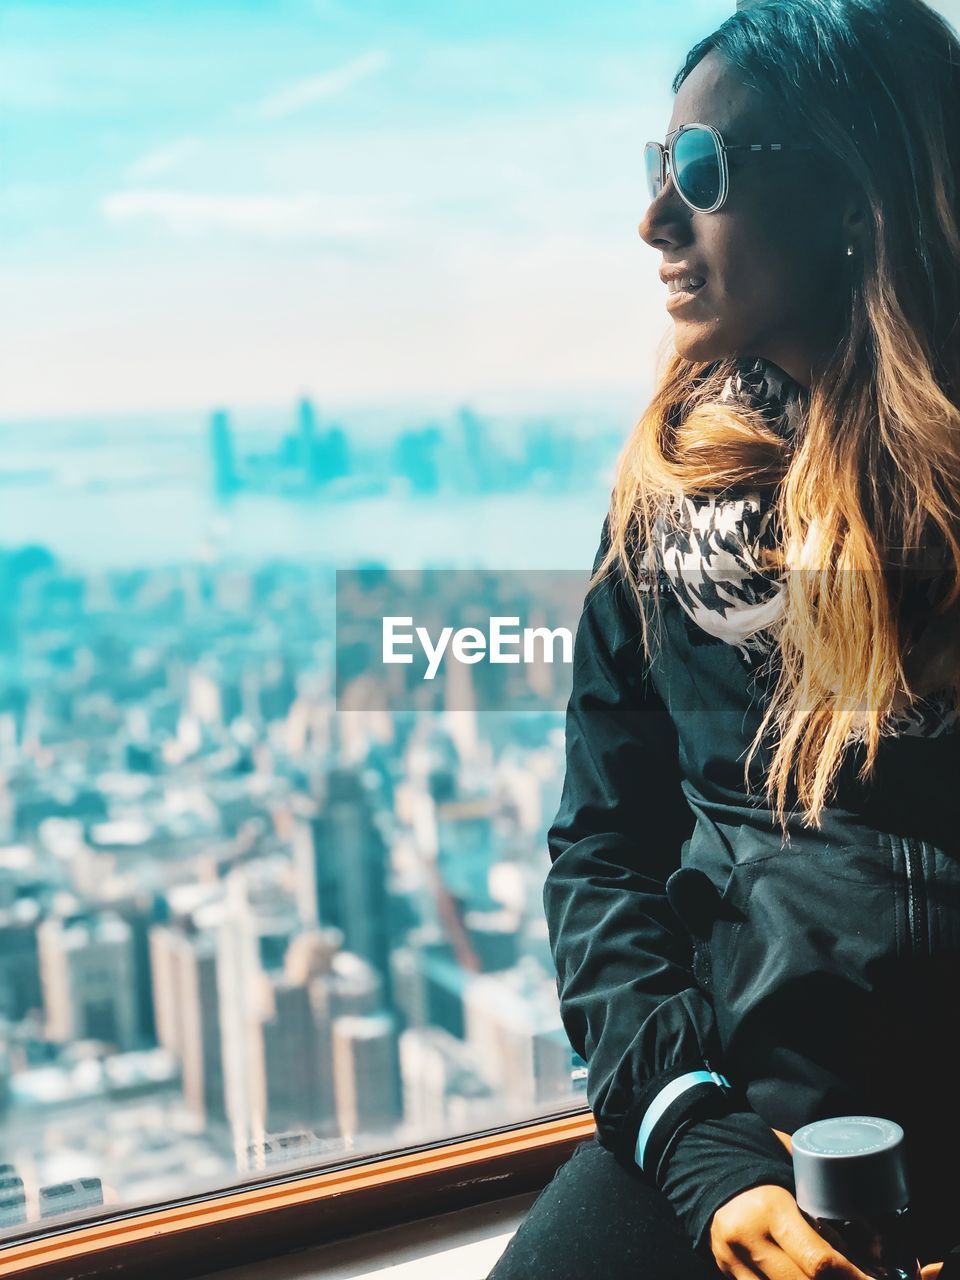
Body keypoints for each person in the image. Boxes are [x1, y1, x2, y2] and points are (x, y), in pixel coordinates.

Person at [487, 0, 960, 1276]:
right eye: (660, 170)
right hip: (734, 1114)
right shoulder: (665, 497)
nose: (655, 221)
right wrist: (702, 1144)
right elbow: (601, 850)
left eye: (701, 174)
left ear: (857, 199)